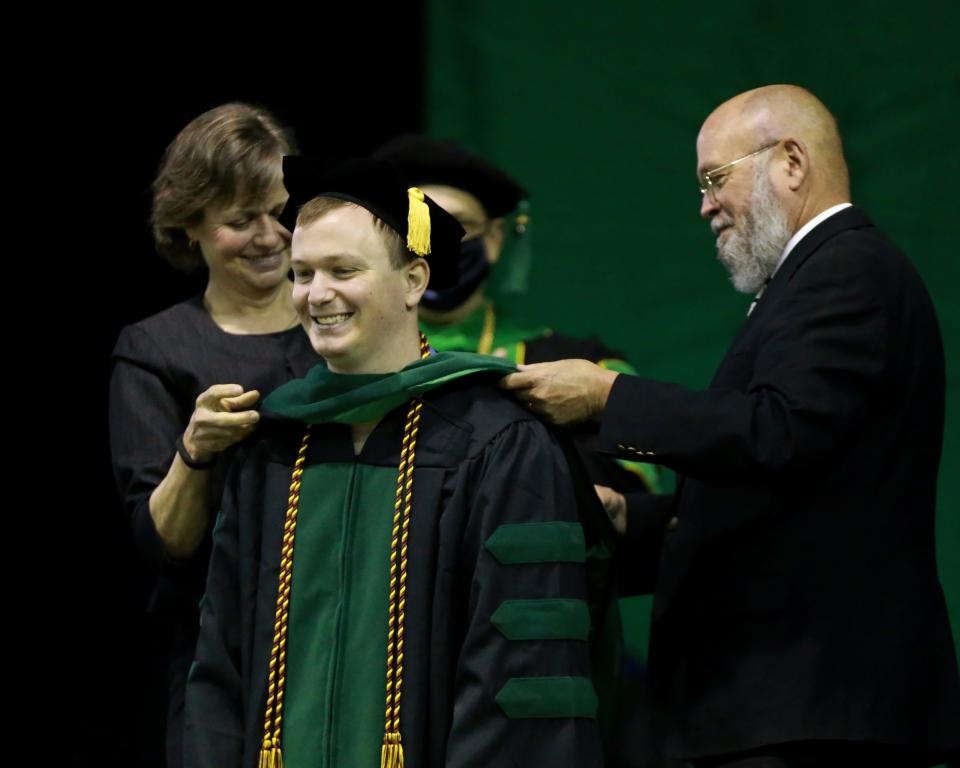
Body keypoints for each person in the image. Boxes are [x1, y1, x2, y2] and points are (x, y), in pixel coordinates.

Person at [501, 85, 960, 767]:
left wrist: (609, 398)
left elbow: (777, 430)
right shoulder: (815, 279)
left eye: (716, 178)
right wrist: (636, 518)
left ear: (792, 162)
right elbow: (791, 497)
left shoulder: (846, 269)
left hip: (814, 712)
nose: (705, 205)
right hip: (786, 710)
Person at [183, 157, 617, 768]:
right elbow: (220, 661)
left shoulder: (498, 442)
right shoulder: (271, 443)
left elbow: (520, 671)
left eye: (343, 270)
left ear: (414, 281)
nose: (317, 293)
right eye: (302, 273)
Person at [109, 103, 319, 767]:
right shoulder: (156, 350)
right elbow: (164, 544)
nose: (269, 235)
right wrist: (194, 452)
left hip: (350, 631)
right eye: (240, 220)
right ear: (190, 226)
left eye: (281, 212)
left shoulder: (346, 329)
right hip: (220, 653)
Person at [372, 134, 661, 522]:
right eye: (418, 224)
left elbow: (629, 498)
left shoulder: (582, 368)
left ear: (493, 240)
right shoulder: (346, 360)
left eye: (456, 225)